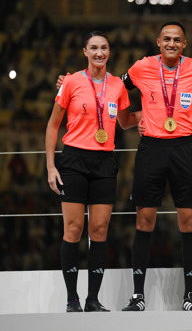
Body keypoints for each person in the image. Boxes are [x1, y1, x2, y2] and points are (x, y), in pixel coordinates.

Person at [120, 21, 192, 311]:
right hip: (151, 148)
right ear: (158, 42)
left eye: (177, 39)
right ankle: (138, 296)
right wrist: (131, 118)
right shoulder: (141, 67)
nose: (172, 43)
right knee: (144, 221)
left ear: (184, 44)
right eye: (167, 39)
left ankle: (189, 295)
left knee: (189, 221)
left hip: (184, 148)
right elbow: (115, 87)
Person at [46, 31, 139, 313]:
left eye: (104, 48)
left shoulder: (117, 86)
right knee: (73, 230)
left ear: (109, 52)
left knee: (99, 231)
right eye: (94, 48)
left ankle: (92, 299)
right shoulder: (72, 81)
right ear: (85, 51)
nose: (99, 53)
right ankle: (72, 299)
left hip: (105, 162)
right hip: (73, 160)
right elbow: (53, 125)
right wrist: (51, 166)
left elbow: (124, 122)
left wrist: (150, 115)